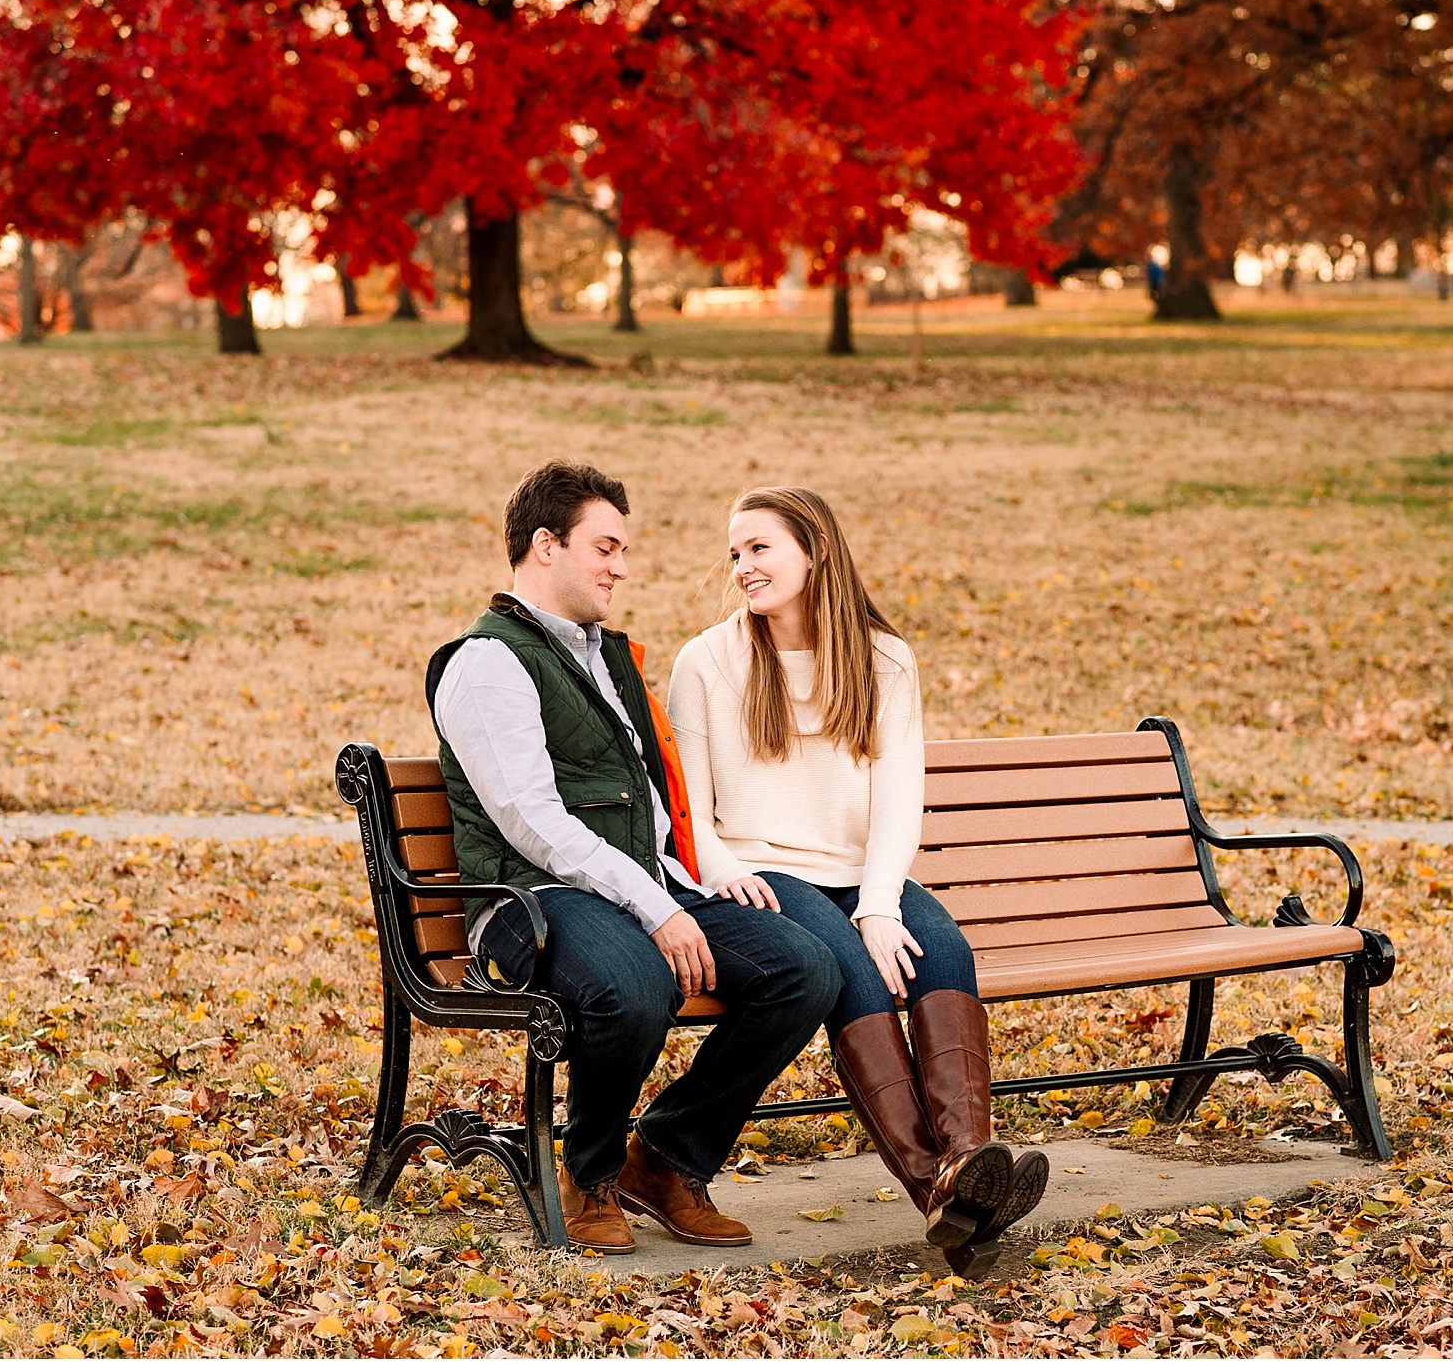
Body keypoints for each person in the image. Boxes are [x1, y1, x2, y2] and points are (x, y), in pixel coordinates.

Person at [426, 461, 840, 1254]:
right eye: (605, 547)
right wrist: (658, 910)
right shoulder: (488, 663)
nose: (622, 567)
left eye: (623, 550)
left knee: (806, 971)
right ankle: (592, 1173)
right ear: (546, 546)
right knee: (634, 983)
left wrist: (695, 882)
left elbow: (650, 798)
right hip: (531, 903)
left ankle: (669, 1155)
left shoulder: (606, 656)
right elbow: (532, 823)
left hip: (638, 886)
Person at [668, 486, 1047, 1277]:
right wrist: (727, 871)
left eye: (759, 548)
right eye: (735, 552)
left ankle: (969, 1160)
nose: (742, 566)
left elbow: (898, 798)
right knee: (856, 975)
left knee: (941, 951)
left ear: (819, 551)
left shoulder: (884, 660)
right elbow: (689, 809)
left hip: (857, 876)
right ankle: (938, 1184)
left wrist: (880, 903)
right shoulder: (708, 660)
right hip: (762, 873)